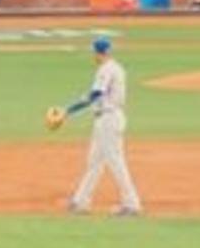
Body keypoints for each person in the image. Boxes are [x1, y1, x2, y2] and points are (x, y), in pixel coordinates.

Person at [61, 37, 142, 217]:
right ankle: (81, 201)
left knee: (115, 161)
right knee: (94, 161)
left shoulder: (106, 70)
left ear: (98, 53)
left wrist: (69, 111)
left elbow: (96, 94)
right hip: (107, 118)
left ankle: (131, 203)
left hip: (109, 119)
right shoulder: (116, 68)